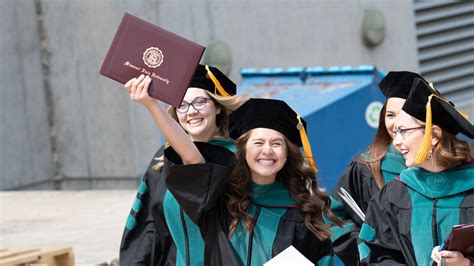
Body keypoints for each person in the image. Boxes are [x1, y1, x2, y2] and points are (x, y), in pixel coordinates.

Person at [163, 98, 343, 265]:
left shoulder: (302, 214)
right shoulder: (218, 199)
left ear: (287, 155)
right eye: (258, 143)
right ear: (243, 151)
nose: (267, 151)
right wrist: (151, 105)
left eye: (276, 144)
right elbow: (190, 162)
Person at [119, 64, 245, 266]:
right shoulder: (163, 161)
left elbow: (195, 162)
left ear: (218, 106)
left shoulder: (233, 158)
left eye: (200, 102)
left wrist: (152, 105)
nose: (191, 112)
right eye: (182, 105)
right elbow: (149, 226)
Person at [358, 76, 474, 265]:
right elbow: (375, 254)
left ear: (434, 135)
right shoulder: (395, 195)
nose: (396, 142)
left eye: (403, 131)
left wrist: (466, 263)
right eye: (396, 133)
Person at [329, 72, 424, 264]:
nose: (396, 123)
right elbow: (334, 216)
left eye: (405, 115)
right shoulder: (366, 168)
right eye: (390, 115)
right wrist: (364, 250)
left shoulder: (438, 169)